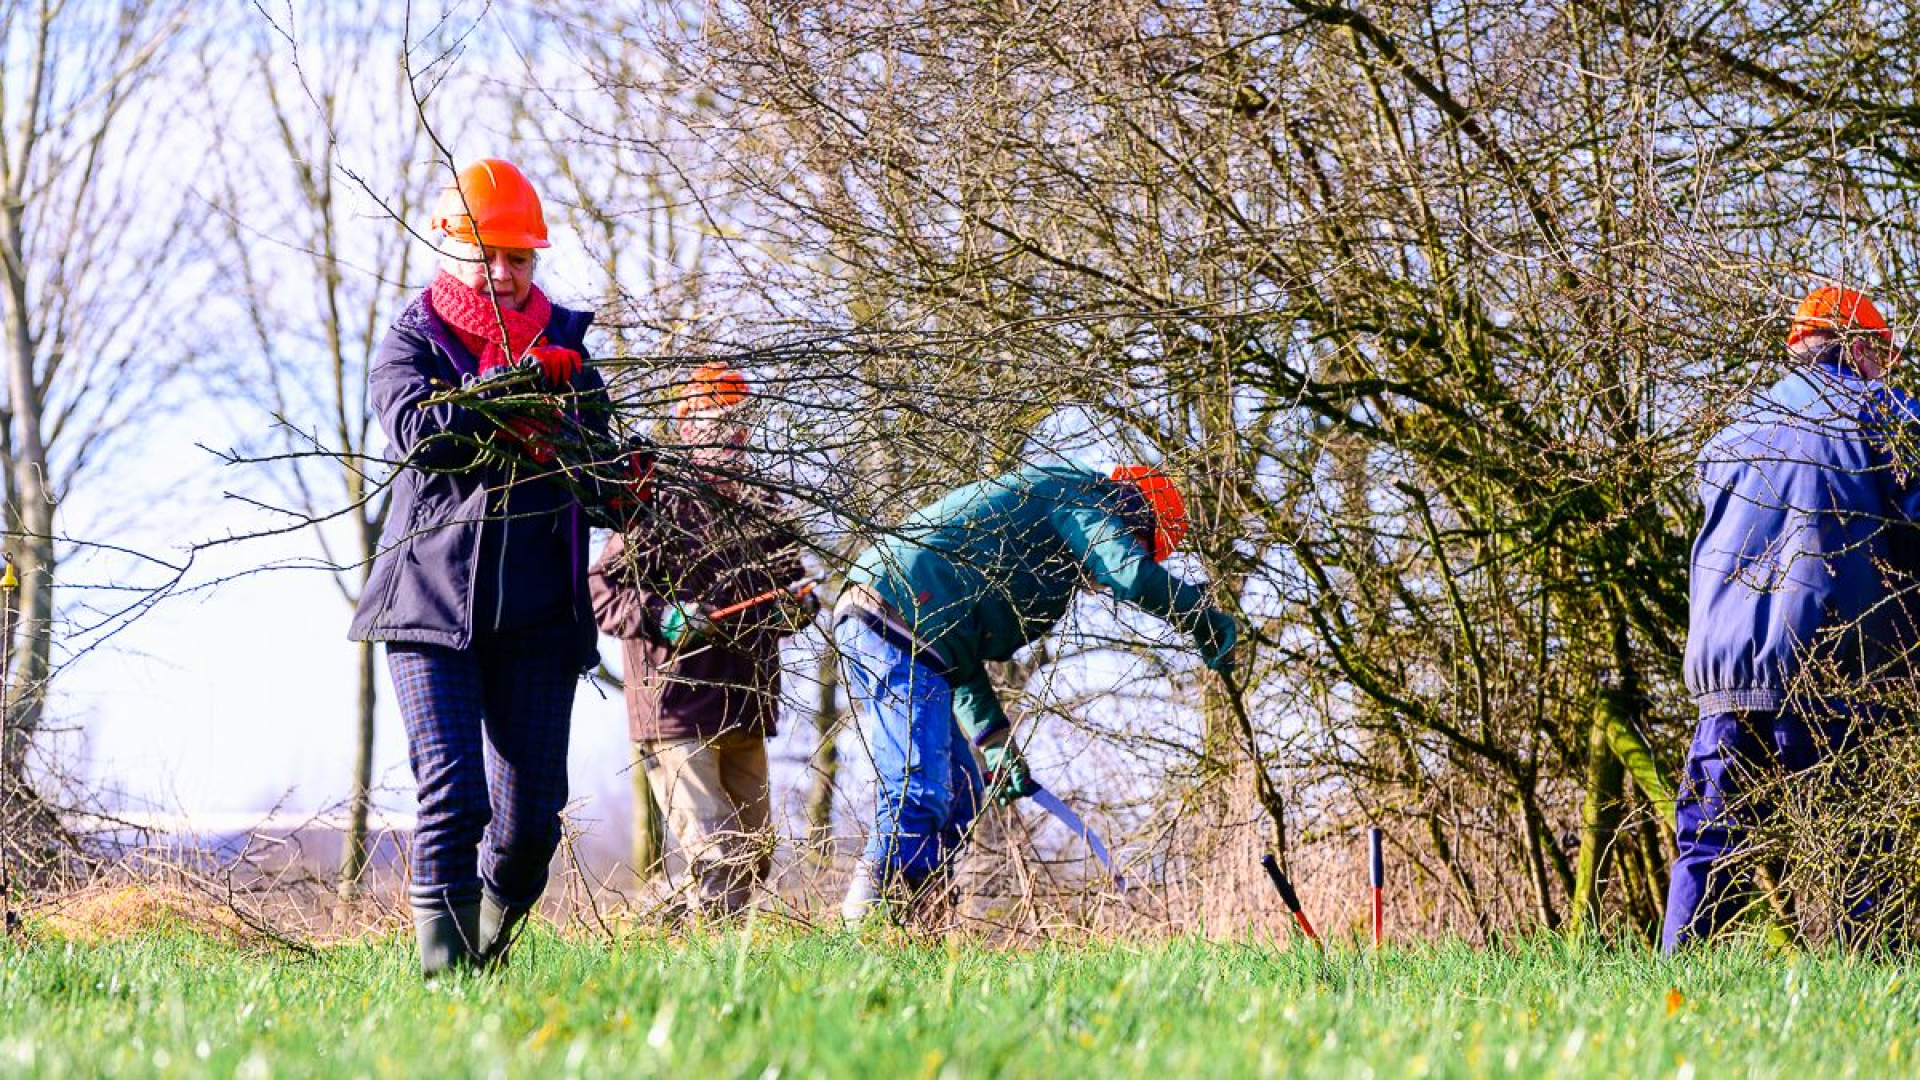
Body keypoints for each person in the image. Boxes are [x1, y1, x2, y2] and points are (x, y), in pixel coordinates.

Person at [349, 158, 645, 977]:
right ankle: (442, 981)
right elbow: (421, 433)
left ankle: (480, 953)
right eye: (490, 255)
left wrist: (625, 483)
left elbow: (598, 485)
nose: (506, 272)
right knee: (454, 797)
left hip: (541, 618)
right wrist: (509, 390)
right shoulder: (412, 339)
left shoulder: (572, 357)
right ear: (450, 248)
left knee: (528, 829)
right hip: (431, 606)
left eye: (520, 256)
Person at [832, 462, 1241, 921]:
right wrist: (1199, 615)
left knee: (962, 791)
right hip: (898, 609)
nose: (1104, 582)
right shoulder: (1081, 496)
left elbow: (961, 657)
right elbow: (1132, 575)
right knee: (919, 788)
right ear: (1131, 514)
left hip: (912, 628)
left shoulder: (1044, 550)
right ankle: (864, 925)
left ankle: (916, 925)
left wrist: (996, 743)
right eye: (1139, 545)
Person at [1667, 284, 1920, 951]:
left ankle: (1670, 996)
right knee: (1861, 840)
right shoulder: (1891, 420)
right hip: (1837, 661)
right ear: (1862, 348)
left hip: (1729, 673)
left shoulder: (1729, 437)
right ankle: (1870, 997)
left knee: (1707, 844)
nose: (1882, 374)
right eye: (1882, 359)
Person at [589, 363, 814, 915]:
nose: (734, 435)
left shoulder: (765, 507)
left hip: (747, 706)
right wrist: (666, 619)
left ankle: (649, 925)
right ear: (689, 428)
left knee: (755, 852)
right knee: (717, 853)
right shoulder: (656, 504)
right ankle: (715, 977)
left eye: (742, 423)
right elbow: (601, 592)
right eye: (720, 422)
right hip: (676, 710)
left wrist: (799, 607)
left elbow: (796, 591)